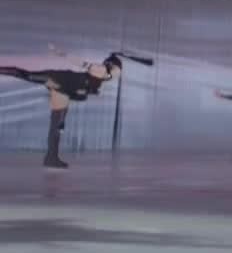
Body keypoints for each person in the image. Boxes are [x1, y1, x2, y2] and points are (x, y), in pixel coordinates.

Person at [0, 51, 134, 168]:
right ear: (113, 67)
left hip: (62, 89)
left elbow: (80, 91)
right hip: (57, 80)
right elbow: (80, 63)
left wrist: (82, 92)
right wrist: (63, 55)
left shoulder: (102, 79)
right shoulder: (101, 70)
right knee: (25, 75)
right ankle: (51, 158)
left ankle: (51, 158)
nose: (118, 74)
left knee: (57, 126)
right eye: (118, 69)